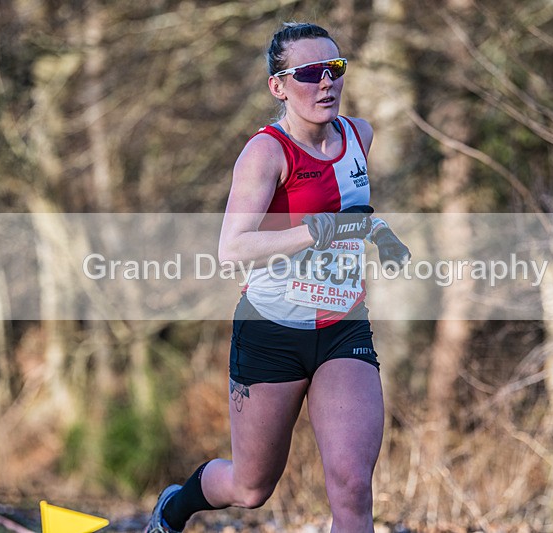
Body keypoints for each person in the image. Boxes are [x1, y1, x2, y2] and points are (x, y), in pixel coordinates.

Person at [146, 22, 409, 533]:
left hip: (342, 327)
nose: (326, 83)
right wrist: (318, 233)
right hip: (271, 331)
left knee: (353, 486)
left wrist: (376, 232)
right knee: (251, 487)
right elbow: (232, 250)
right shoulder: (266, 153)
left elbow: (351, 210)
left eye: (335, 69)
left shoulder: (360, 136)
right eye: (309, 73)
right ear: (278, 86)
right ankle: (175, 507)